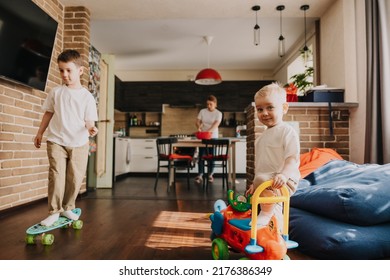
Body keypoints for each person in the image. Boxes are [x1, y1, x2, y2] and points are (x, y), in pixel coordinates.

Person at [34, 49, 98, 227]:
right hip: (56, 141)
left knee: (75, 177)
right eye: (61, 70)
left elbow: (89, 121)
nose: (65, 74)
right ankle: (54, 212)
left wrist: (91, 128)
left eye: (68, 70)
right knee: (56, 175)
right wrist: (39, 132)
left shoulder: (87, 97)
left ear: (80, 71)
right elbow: (48, 114)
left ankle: (68, 207)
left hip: (79, 143)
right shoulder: (56, 92)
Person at [245, 83, 300, 230]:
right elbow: (262, 165)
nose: (264, 113)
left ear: (284, 108)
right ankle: (276, 237)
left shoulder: (286, 131)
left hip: (285, 180)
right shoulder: (261, 138)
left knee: (267, 205)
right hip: (267, 180)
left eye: (270, 107)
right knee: (272, 210)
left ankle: (266, 214)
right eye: (260, 109)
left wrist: (284, 175)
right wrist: (255, 184)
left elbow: (292, 159)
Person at [194, 95, 222, 184]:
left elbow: (215, 125)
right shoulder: (202, 111)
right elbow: (197, 121)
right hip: (203, 136)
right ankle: (200, 175)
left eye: (211, 104)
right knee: (201, 156)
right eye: (207, 104)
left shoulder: (218, 113)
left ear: (215, 104)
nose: (208, 106)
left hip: (213, 137)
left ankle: (210, 174)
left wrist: (207, 132)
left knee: (211, 156)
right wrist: (199, 127)